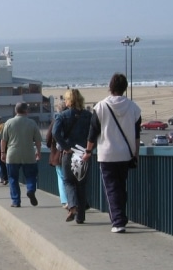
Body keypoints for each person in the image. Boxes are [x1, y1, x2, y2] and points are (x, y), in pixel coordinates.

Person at [82, 73, 141, 233]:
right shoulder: (134, 108)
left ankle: (118, 222)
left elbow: (92, 133)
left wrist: (88, 151)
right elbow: (136, 135)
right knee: (121, 186)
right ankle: (121, 216)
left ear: (110, 87)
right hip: (125, 154)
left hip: (107, 154)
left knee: (111, 188)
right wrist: (136, 154)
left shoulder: (100, 107)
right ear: (124, 88)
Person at [54, 89, 92, 224]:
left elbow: (56, 133)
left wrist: (65, 147)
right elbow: (93, 134)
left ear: (68, 100)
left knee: (69, 181)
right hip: (83, 154)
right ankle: (80, 216)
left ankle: (72, 206)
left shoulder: (62, 116)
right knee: (81, 184)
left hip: (69, 153)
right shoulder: (88, 115)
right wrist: (89, 149)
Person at [0, 103, 42, 207]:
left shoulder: (8, 123)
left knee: (13, 178)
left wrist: (3, 153)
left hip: (12, 154)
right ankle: (31, 189)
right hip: (29, 153)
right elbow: (38, 141)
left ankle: (16, 201)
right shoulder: (32, 123)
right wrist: (38, 152)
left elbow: (3, 140)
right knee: (31, 175)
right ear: (26, 110)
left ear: (16, 111)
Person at [45, 102, 67, 208]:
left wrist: (51, 145)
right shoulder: (71, 119)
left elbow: (48, 137)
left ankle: (65, 200)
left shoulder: (55, 121)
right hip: (73, 152)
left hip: (58, 153)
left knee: (61, 177)